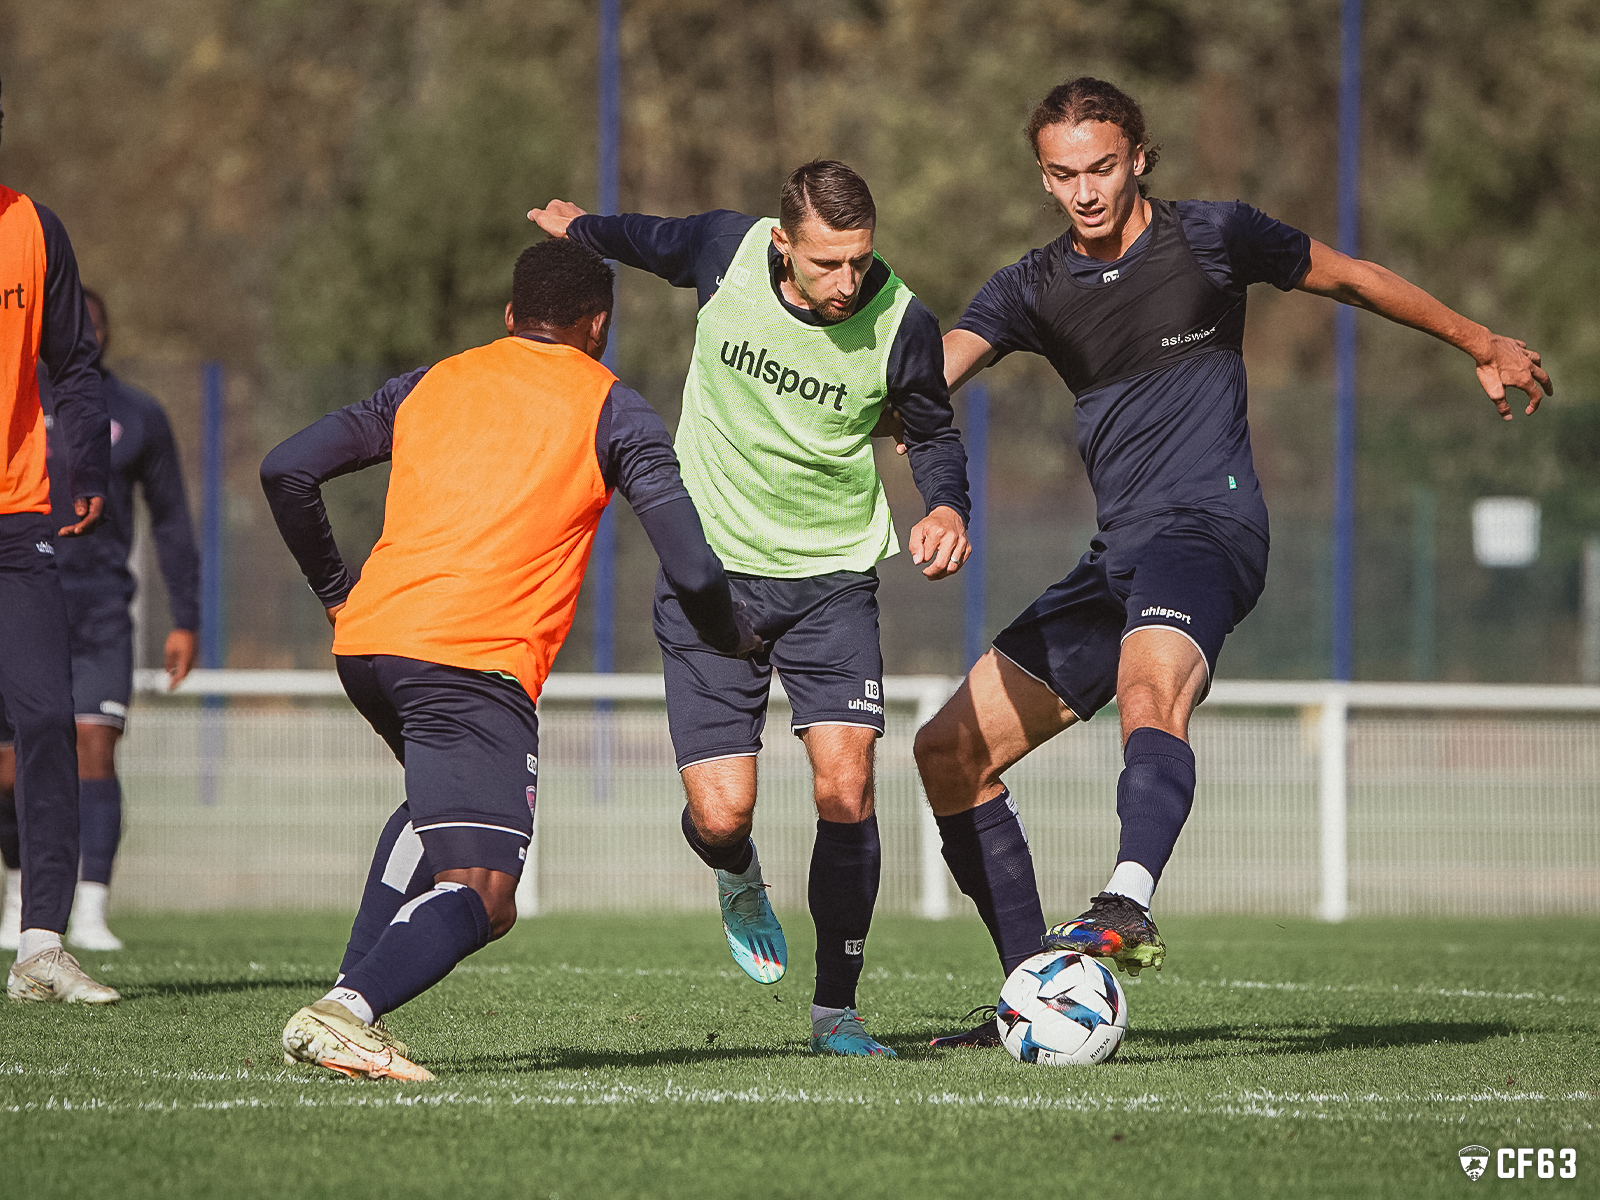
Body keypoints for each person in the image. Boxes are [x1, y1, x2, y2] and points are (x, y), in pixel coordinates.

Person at [913, 77, 1552, 1048]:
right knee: (949, 753)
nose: (1084, 191)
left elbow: (1351, 278)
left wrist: (1480, 340)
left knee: (1147, 687)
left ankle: (1127, 901)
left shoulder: (1212, 237)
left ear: (1138, 158)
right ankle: (1031, 995)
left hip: (1209, 530)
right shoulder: (1029, 286)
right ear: (1041, 178)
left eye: (1101, 167)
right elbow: (932, 373)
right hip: (1117, 556)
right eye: (1062, 174)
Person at [261, 238, 756, 1080]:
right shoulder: (614, 407)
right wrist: (731, 636)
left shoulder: (430, 382)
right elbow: (696, 568)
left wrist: (338, 593)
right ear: (598, 326)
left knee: (434, 817)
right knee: (487, 896)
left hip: (370, 646)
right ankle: (347, 1012)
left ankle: (346, 999)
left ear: (509, 316)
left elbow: (286, 469)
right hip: (470, 664)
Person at [530, 158, 971, 1058]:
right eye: (828, 262)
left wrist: (948, 506)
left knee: (846, 787)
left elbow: (930, 430)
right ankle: (735, 873)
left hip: (832, 580)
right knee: (723, 814)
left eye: (861, 259)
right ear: (782, 244)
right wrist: (580, 230)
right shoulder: (724, 251)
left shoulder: (904, 322)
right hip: (711, 579)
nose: (849, 281)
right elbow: (644, 239)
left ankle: (837, 1011)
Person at [0, 288, 200, 952]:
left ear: (105, 334)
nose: (82, 332)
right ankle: (20, 896)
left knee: (94, 744)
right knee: (12, 764)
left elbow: (171, 520)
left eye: (92, 323)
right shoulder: (13, 401)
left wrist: (186, 616)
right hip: (21, 599)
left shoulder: (137, 414)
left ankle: (90, 907)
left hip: (100, 609)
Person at [0, 76, 120, 1004]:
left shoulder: (35, 230)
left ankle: (42, 942)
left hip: (16, 516)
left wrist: (86, 468)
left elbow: (73, 363)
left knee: (46, 716)